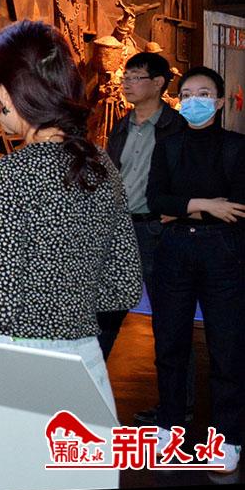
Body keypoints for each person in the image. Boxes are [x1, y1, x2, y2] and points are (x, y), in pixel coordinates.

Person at [0, 19, 142, 416]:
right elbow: (124, 287)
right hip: (85, 361)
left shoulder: (8, 174)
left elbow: (1, 305)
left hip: (17, 365)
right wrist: (63, 300)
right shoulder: (101, 165)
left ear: (4, 93)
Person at [146, 66, 244, 473]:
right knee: (169, 343)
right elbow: (156, 200)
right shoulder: (167, 145)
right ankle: (170, 425)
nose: (194, 101)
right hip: (174, 250)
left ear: (219, 102)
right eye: (186, 95)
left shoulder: (237, 147)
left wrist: (183, 206)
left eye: (203, 94)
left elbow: (237, 208)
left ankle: (228, 436)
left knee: (226, 347)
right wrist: (205, 205)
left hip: (224, 253)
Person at [99, 52, 185, 360]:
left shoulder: (176, 127)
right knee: (106, 314)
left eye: (136, 78)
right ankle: (90, 383)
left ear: (158, 83)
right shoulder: (122, 126)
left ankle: (176, 393)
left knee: (169, 321)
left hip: (158, 230)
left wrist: (178, 209)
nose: (127, 84)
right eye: (126, 77)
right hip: (121, 228)